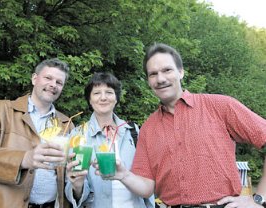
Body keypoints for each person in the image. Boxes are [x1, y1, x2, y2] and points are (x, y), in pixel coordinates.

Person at [93, 43, 266, 208]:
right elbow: (146, 188)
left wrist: (259, 199)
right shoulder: (147, 129)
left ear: (181, 72)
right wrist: (123, 175)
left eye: (167, 70)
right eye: (153, 74)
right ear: (148, 81)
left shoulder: (220, 106)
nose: (160, 79)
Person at [0, 58, 74, 208]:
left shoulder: (67, 124)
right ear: (34, 79)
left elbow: (70, 173)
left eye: (59, 82)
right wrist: (23, 159)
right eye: (48, 78)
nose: (53, 85)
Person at [64, 72, 155, 208]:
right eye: (96, 93)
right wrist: (77, 186)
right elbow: (74, 191)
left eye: (109, 92)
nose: (103, 98)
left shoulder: (133, 131)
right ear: (89, 99)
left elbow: (147, 182)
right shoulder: (78, 135)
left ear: (116, 98)